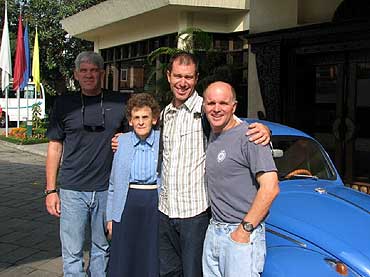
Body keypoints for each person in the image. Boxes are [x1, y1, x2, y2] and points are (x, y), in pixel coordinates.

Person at [111, 51, 270, 277]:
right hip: (165, 212)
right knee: (167, 272)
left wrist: (264, 130)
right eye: (178, 76)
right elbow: (144, 135)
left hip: (194, 215)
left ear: (196, 78)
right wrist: (123, 140)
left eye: (188, 77)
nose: (182, 83)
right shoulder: (165, 114)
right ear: (169, 76)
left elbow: (234, 126)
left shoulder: (206, 110)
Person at [45, 51, 127, 276]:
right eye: (84, 71)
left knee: (103, 249)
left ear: (102, 73)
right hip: (72, 190)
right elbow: (54, 147)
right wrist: (51, 190)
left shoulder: (120, 102)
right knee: (72, 252)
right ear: (76, 74)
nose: (89, 75)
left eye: (93, 70)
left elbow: (141, 135)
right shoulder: (64, 104)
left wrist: (126, 139)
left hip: (106, 190)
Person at [202, 81, 280, 277]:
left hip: (241, 234)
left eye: (223, 103)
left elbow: (270, 188)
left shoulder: (251, 136)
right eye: (211, 103)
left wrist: (244, 230)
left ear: (234, 106)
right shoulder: (210, 132)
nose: (217, 109)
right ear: (204, 107)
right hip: (214, 231)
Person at [106, 93, 161, 277]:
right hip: (127, 204)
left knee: (150, 255)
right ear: (130, 120)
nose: (140, 122)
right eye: (136, 118)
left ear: (154, 119)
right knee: (125, 257)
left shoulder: (163, 141)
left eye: (145, 117)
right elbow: (114, 183)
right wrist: (111, 217)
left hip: (154, 205)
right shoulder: (121, 141)